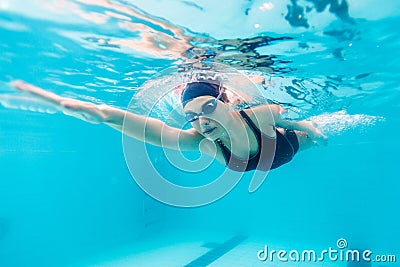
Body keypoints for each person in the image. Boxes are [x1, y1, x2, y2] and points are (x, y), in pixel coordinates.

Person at [11, 79, 327, 172]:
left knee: (311, 142)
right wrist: (84, 109)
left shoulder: (258, 115)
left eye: (209, 107)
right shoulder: (201, 142)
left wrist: (315, 133)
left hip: (288, 146)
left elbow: (296, 120)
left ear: (227, 101)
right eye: (192, 117)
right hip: (267, 162)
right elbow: (135, 124)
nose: (202, 122)